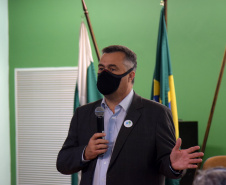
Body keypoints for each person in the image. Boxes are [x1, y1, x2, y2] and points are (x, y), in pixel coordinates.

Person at [57, 45, 204, 185]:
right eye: (101, 68)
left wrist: (173, 165)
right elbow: (63, 163)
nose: (104, 73)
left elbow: (165, 163)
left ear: (130, 75)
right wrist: (86, 153)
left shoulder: (156, 113)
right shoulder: (83, 113)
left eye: (112, 69)